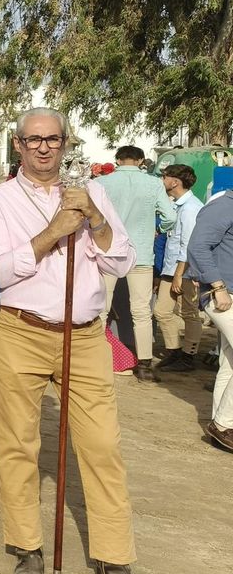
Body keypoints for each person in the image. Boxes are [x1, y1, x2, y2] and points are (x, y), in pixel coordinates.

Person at [0, 108, 156, 574]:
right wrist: (54, 231)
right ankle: (28, 548)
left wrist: (94, 219)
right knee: (18, 444)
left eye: (52, 139)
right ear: (17, 145)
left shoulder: (91, 194)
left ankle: (114, 559)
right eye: (33, 140)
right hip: (18, 331)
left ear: (65, 143)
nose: (43, 148)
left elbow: (121, 259)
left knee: (101, 445)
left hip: (84, 337)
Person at [96, 145, 174, 378]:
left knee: (101, 308)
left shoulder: (102, 183)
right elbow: (170, 216)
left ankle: (97, 359)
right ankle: (145, 365)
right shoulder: (153, 184)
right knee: (141, 310)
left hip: (109, 250)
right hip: (141, 252)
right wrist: (159, 229)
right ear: (141, 161)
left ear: (118, 160)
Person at [186, 189, 233, 452]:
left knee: (229, 359)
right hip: (223, 293)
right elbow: (198, 246)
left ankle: (223, 424)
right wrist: (217, 285)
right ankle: (223, 425)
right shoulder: (223, 206)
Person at [155, 164, 204, 373]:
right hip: (171, 268)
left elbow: (188, 245)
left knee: (189, 312)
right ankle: (174, 350)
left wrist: (178, 275)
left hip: (183, 269)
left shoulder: (191, 208)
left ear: (175, 181)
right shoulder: (177, 205)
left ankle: (188, 355)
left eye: (164, 177)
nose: (162, 180)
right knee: (162, 311)